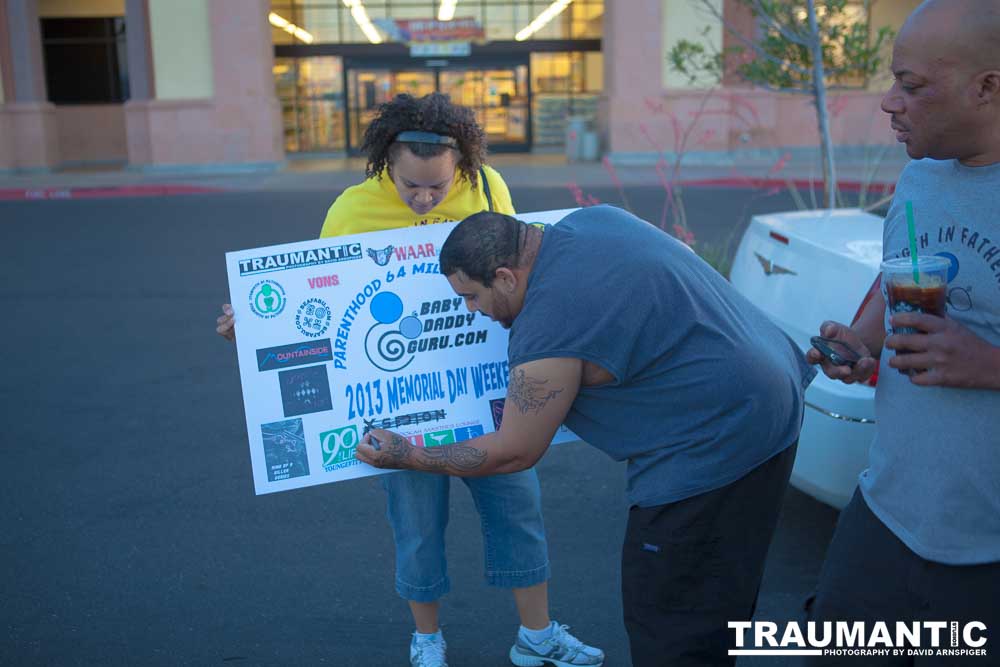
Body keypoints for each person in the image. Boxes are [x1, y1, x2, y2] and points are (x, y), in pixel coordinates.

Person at [216, 93, 603, 667]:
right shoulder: (350, 210)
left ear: (463, 169)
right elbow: (313, 304)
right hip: (401, 411)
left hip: (479, 392)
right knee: (417, 526)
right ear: (383, 167)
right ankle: (426, 640)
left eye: (437, 188)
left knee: (519, 504)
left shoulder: (490, 188)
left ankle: (537, 636)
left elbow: (515, 277)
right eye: (409, 186)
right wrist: (252, 329)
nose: (424, 198)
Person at [356, 204, 816, 666]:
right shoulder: (593, 220)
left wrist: (409, 455)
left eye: (472, 296)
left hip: (716, 441)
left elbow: (514, 452)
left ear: (506, 277)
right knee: (716, 592)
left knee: (669, 613)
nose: (471, 311)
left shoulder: (547, 327)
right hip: (772, 395)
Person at [802, 1, 1000, 663]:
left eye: (911, 86)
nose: (890, 103)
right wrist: (862, 340)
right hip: (883, 518)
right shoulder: (919, 178)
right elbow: (895, 288)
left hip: (988, 549)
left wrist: (990, 363)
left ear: (989, 86)